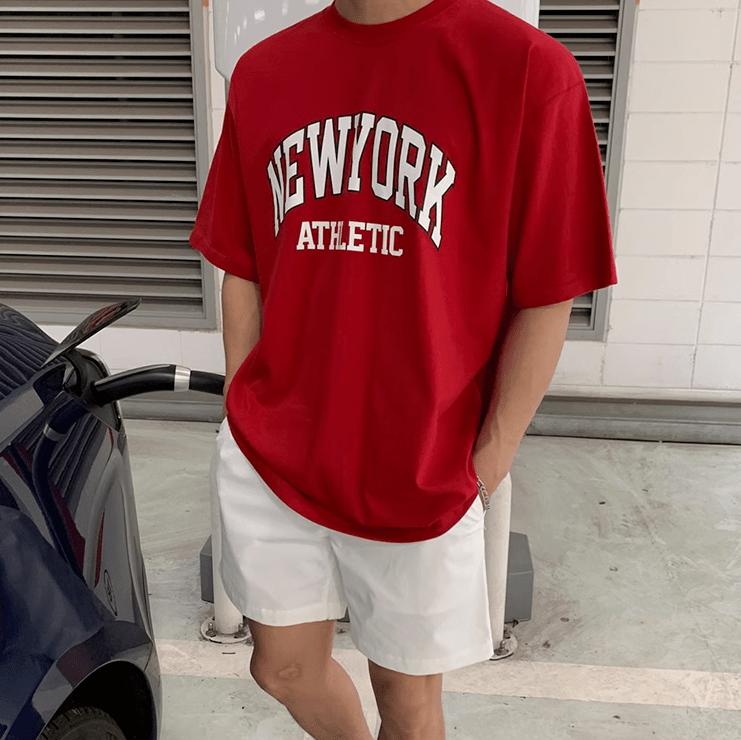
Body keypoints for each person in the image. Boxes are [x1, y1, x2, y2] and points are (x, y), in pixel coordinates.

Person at [188, 0, 617, 737]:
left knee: (406, 699)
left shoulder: (527, 70)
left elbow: (549, 291)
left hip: (422, 461)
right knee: (280, 667)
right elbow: (244, 263)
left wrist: (488, 462)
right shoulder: (265, 72)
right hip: (274, 451)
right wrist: (242, 404)